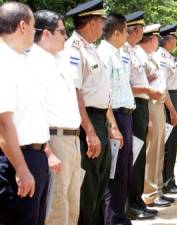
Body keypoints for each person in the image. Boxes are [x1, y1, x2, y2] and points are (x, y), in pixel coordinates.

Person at [63, 1, 122, 224]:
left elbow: (100, 93)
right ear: (92, 23)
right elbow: (75, 93)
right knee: (87, 188)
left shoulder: (90, 49)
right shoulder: (74, 49)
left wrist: (108, 126)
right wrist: (89, 131)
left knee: (99, 184)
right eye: (101, 23)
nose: (102, 27)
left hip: (98, 120)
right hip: (86, 120)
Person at [27, 10, 81, 225]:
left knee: (72, 201)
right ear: (46, 34)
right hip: (54, 139)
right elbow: (35, 111)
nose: (66, 36)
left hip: (72, 139)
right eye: (62, 31)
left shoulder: (60, 59)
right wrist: (48, 150)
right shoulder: (33, 62)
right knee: (56, 206)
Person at [0, 2, 50, 224]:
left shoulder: (19, 59)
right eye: (33, 27)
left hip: (33, 157)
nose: (34, 31)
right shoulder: (4, 61)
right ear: (22, 26)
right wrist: (21, 169)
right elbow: (3, 123)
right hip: (16, 160)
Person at [121, 11, 160, 220]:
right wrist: (147, 89)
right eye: (141, 29)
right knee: (132, 159)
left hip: (142, 105)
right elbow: (126, 84)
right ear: (135, 31)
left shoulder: (135, 51)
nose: (142, 33)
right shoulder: (125, 51)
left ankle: (137, 200)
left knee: (139, 156)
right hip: (133, 106)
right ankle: (130, 204)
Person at [97, 13, 135, 225]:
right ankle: (113, 220)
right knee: (115, 173)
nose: (128, 35)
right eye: (126, 30)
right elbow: (105, 94)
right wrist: (112, 125)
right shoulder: (104, 54)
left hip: (125, 115)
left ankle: (119, 216)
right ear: (117, 32)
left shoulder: (117, 53)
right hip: (116, 117)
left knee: (124, 171)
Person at [140, 24, 177, 208]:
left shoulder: (151, 58)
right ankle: (149, 193)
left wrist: (170, 109)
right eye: (155, 38)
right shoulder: (142, 58)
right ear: (152, 39)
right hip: (151, 105)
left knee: (159, 151)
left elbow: (162, 86)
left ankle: (158, 189)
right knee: (151, 152)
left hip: (159, 104)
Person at [156, 24, 177, 194]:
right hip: (168, 100)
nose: (176, 41)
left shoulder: (168, 56)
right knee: (168, 143)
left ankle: (170, 178)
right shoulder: (161, 56)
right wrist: (172, 109)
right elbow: (163, 86)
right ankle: (165, 181)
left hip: (174, 96)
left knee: (173, 142)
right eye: (175, 38)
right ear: (169, 39)